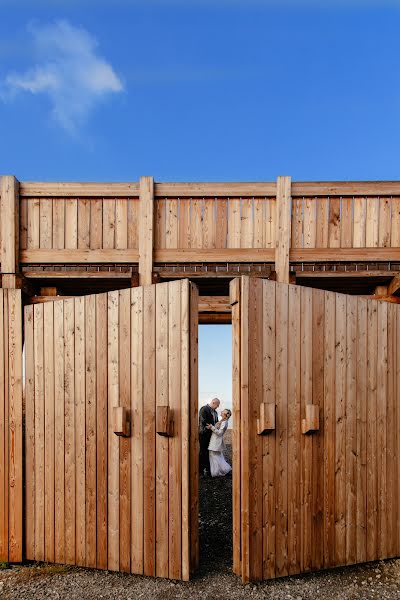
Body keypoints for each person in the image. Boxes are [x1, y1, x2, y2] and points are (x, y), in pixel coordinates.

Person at [207, 409, 232, 477]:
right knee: (217, 456)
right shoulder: (222, 421)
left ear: (224, 414)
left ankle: (218, 472)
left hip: (216, 441)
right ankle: (218, 471)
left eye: (222, 411)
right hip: (215, 440)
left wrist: (212, 427)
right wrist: (210, 427)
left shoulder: (224, 422)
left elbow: (219, 433)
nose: (221, 412)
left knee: (214, 456)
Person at [199, 397, 220, 477]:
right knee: (203, 451)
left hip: (212, 435)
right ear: (213, 402)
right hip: (204, 434)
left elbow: (216, 422)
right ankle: (200, 470)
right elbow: (202, 421)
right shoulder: (204, 409)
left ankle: (208, 469)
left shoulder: (215, 412)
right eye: (217, 405)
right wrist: (207, 427)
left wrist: (216, 427)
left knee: (209, 452)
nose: (218, 407)